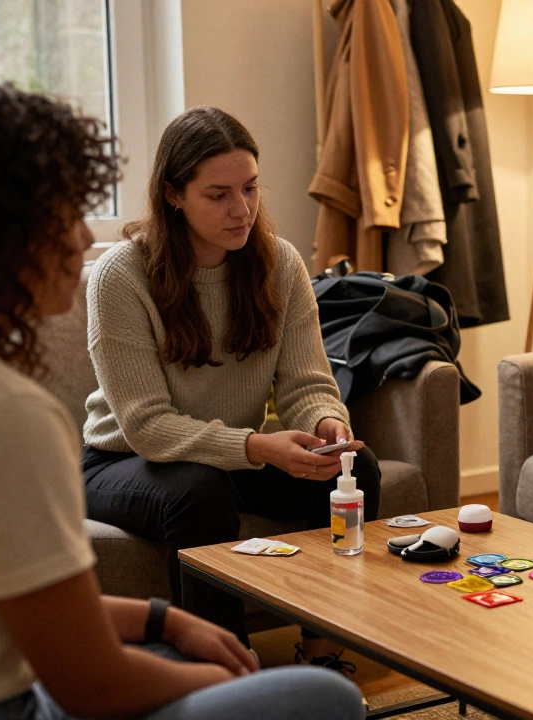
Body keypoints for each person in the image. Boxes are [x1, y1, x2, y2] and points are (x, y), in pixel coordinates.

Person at [0, 81, 363, 720]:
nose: (83, 237)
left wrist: (165, 621)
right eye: (64, 215)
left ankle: (324, 638)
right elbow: (94, 687)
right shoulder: (1, 416)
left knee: (344, 482)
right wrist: (224, 688)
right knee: (326, 702)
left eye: (248, 188)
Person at [81, 106, 381, 643]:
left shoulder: (279, 264)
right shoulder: (120, 276)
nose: (241, 209)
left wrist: (329, 423)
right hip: (124, 460)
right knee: (199, 491)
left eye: (250, 188)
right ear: (174, 194)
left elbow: (306, 383)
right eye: (218, 195)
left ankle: (334, 637)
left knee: (356, 468)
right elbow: (147, 427)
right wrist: (259, 448)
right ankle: (221, 669)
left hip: (228, 458)